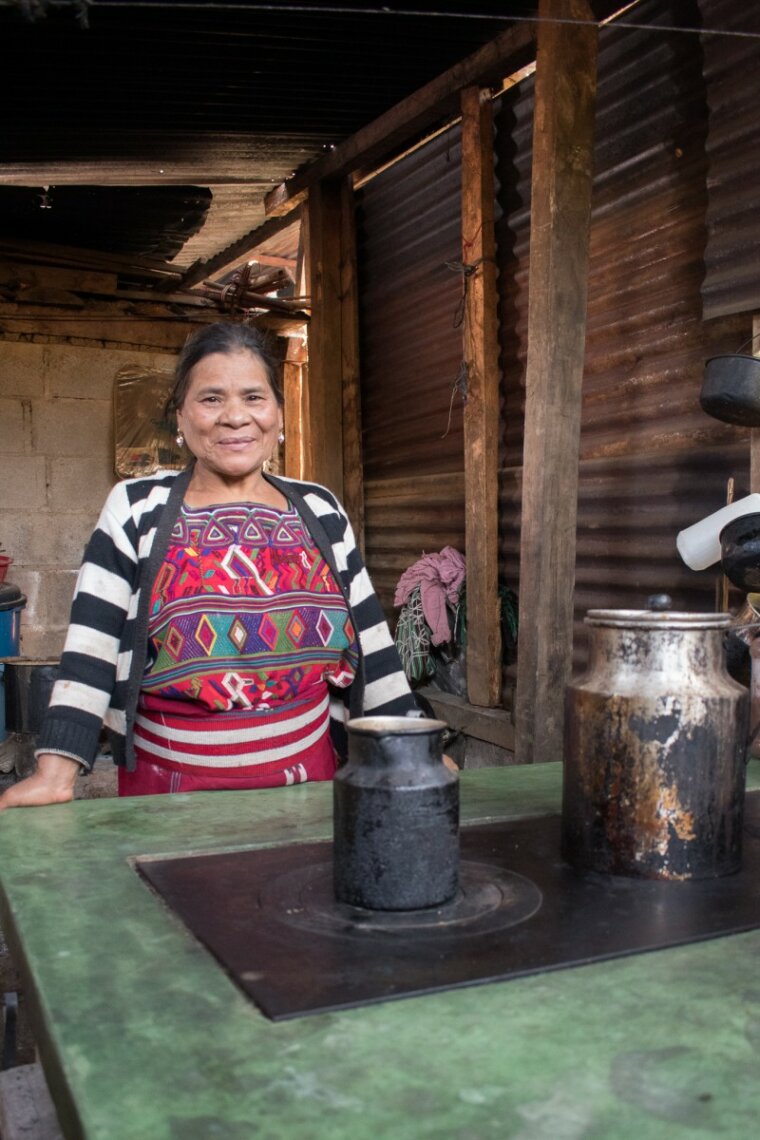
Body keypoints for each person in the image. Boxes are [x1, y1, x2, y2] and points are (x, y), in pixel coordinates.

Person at [0, 321, 418, 810]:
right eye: (212, 399)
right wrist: (56, 773)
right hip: (169, 795)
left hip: (312, 788)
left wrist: (411, 750)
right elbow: (91, 645)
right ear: (180, 417)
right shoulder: (138, 508)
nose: (235, 418)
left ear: (279, 414)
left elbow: (372, 642)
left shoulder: (319, 509)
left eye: (254, 398)